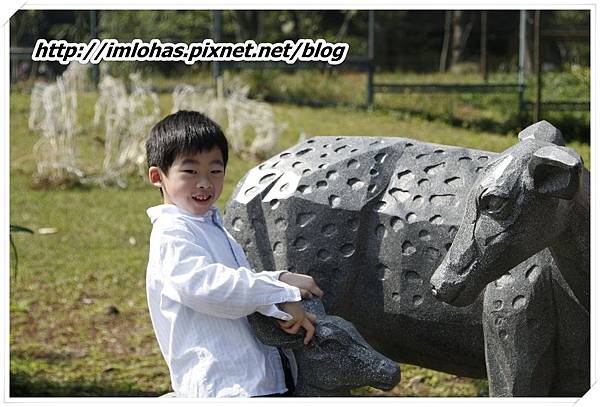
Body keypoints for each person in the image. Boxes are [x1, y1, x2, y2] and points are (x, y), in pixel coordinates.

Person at [144, 110, 324, 397]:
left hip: (252, 381)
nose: (204, 182)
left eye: (215, 171)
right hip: (224, 386)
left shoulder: (211, 225)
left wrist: (281, 288)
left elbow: (237, 284)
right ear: (158, 176)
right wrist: (279, 290)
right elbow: (206, 287)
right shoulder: (173, 232)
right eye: (190, 172)